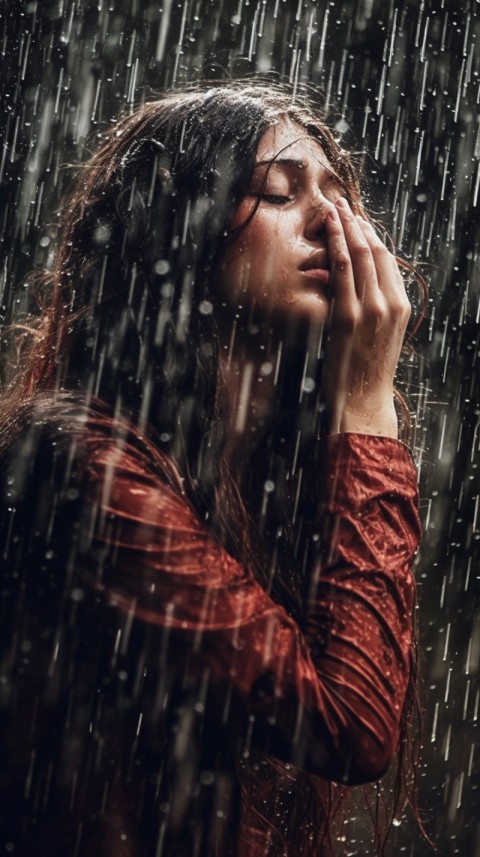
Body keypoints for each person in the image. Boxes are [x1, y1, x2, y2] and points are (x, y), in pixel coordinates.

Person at [0, 80, 423, 856]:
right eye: (278, 191)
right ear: (176, 233)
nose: (333, 221)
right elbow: (351, 725)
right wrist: (366, 403)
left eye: (337, 191)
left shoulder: (275, 488)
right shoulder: (77, 463)